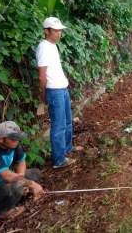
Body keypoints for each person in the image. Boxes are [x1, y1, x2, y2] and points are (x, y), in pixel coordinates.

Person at [0, 121, 44, 219]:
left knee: (35, 173)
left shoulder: (13, 145)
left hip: (3, 183)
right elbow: (6, 176)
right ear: (1, 139)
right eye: (13, 138)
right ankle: (3, 211)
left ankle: (18, 195)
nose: (17, 141)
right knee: (17, 186)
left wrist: (22, 178)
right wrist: (30, 184)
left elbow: (21, 162)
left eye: (18, 138)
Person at [36, 17, 78, 169]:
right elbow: (42, 76)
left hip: (62, 88)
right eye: (55, 31)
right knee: (59, 126)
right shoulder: (43, 47)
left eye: (60, 30)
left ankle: (67, 149)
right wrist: (43, 97)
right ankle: (59, 160)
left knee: (67, 121)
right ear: (46, 31)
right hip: (54, 91)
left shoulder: (52, 46)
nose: (59, 33)